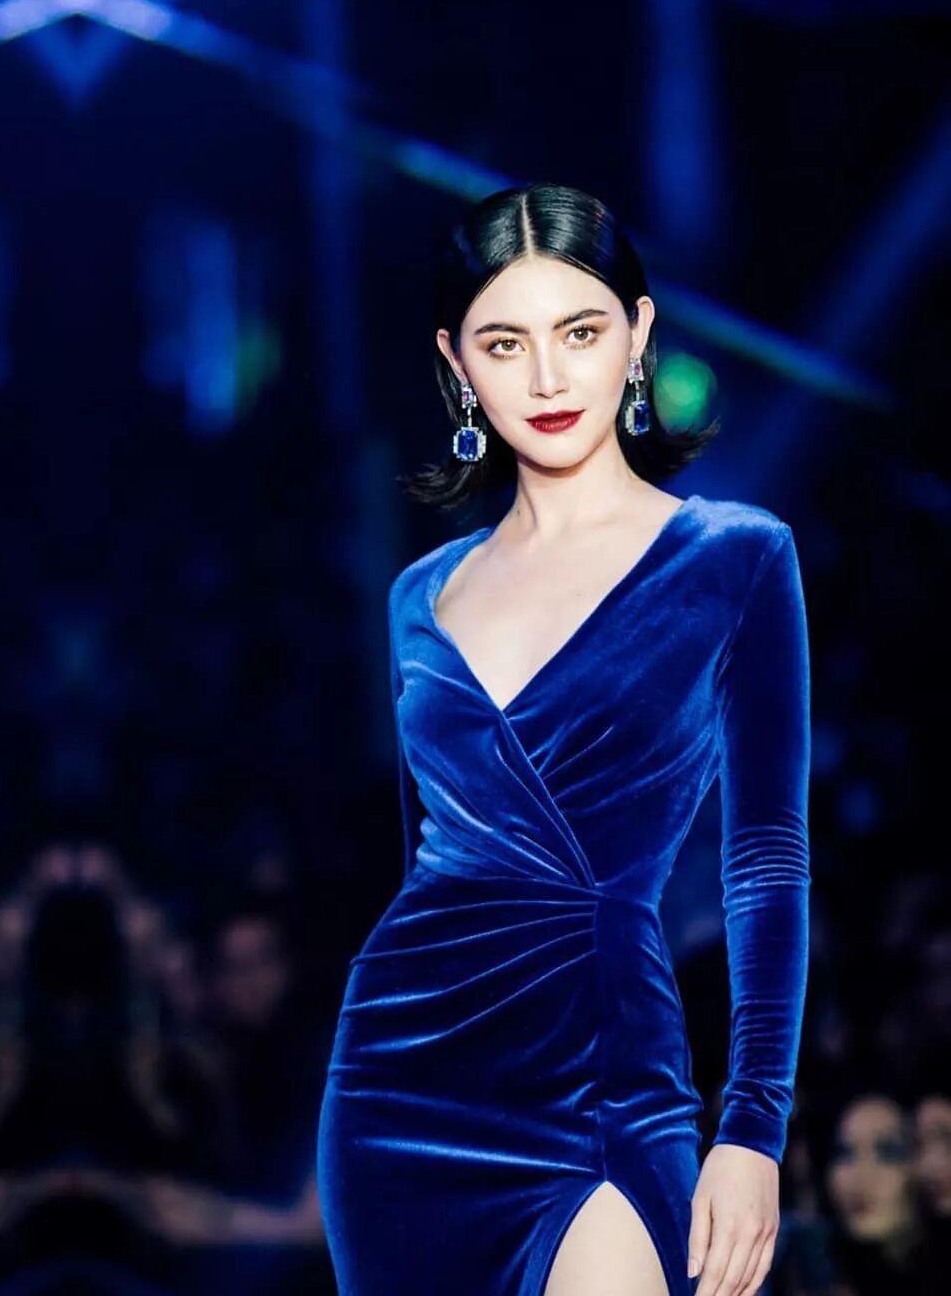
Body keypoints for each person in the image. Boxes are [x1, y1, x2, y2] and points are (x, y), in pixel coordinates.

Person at [317, 182, 811, 1296]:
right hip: (397, 1084)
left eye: (579, 332)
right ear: (457, 364)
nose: (546, 377)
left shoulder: (737, 557)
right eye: (505, 342)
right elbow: (426, 863)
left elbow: (766, 858)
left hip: (607, 1079)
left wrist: (753, 1127)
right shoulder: (419, 595)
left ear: (637, 335)